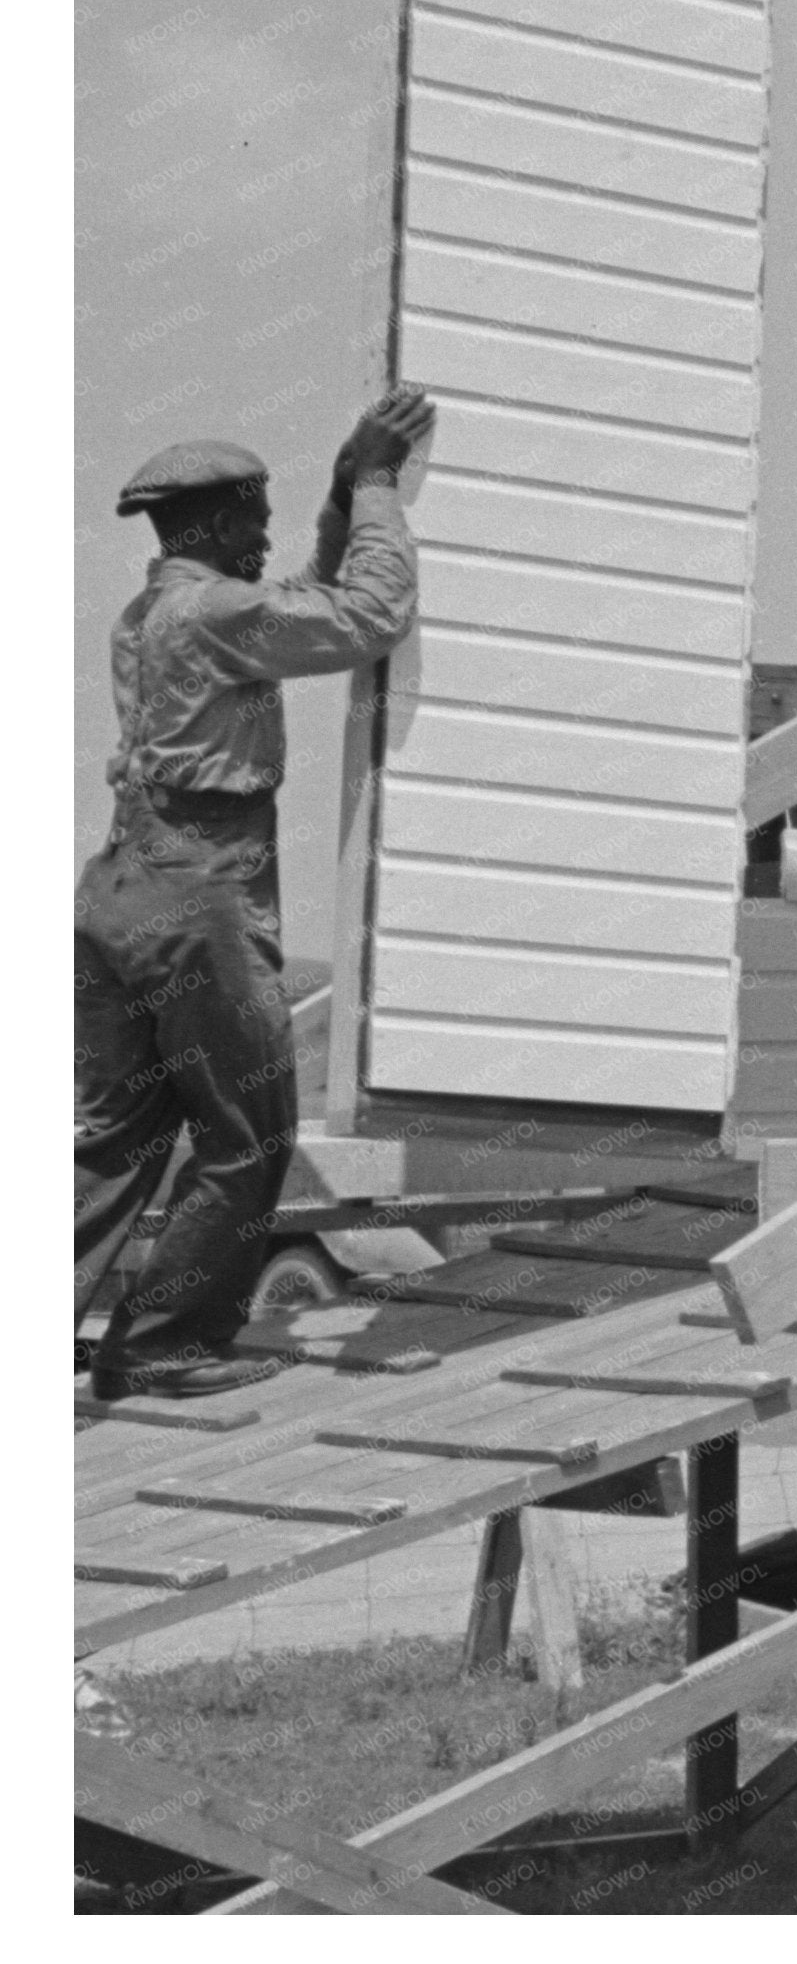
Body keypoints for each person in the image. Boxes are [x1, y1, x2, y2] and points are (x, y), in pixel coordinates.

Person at [77, 390, 433, 1400]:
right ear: (213, 523)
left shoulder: (151, 612)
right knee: (248, 1132)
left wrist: (337, 500)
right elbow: (365, 615)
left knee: (113, 1141)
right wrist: (374, 485)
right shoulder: (217, 612)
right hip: (198, 892)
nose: (266, 530)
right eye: (254, 513)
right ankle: (160, 1345)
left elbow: (305, 594)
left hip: (119, 889)